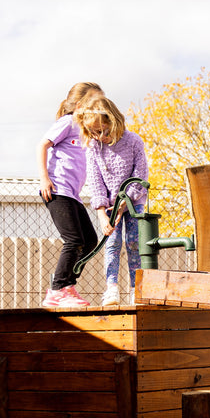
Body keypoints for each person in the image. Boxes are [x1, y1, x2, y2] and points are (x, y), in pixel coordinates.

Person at [74, 96, 148, 306]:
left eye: (104, 130)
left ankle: (137, 289)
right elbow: (96, 182)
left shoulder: (133, 141)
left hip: (134, 203)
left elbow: (140, 175)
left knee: (134, 243)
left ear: (114, 121)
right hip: (109, 206)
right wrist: (101, 214)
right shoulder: (94, 148)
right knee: (112, 243)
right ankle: (112, 288)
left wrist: (126, 203)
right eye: (95, 132)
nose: (101, 136)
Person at [36, 82, 104, 308]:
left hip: (73, 195)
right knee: (74, 240)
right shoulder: (67, 122)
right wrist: (45, 178)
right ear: (83, 104)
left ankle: (67, 286)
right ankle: (57, 289)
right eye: (96, 103)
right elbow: (42, 146)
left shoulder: (86, 131)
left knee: (90, 240)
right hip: (57, 190)